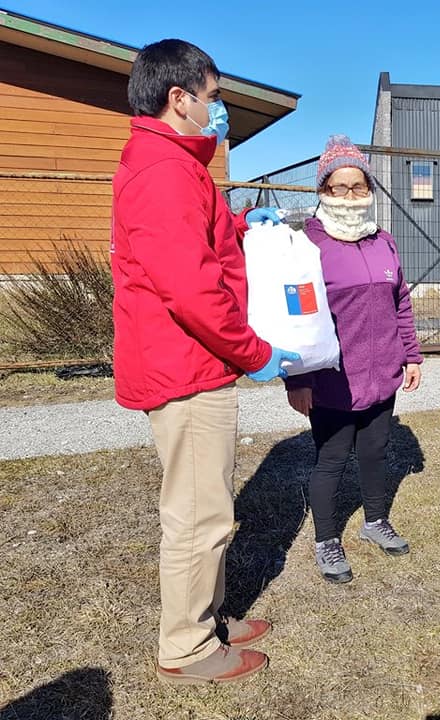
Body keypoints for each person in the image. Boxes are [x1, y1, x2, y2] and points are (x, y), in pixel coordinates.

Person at [111, 39, 298, 684]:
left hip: (190, 363)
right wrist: (255, 352)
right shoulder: (164, 170)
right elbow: (191, 288)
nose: (220, 112)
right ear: (179, 98)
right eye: (213, 98)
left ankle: (209, 615)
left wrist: (241, 225)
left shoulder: (174, 164)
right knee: (198, 513)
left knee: (209, 503)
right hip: (185, 367)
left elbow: (194, 239)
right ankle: (187, 646)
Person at [284, 135, 423, 584]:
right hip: (331, 380)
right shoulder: (307, 245)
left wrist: (411, 355)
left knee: (376, 452)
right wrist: (297, 379)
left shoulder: (383, 241)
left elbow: (400, 301)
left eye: (358, 186)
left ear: (369, 189)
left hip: (382, 372)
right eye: (338, 187)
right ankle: (326, 540)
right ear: (322, 191)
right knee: (331, 460)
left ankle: (375, 521)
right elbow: (296, 318)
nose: (349, 195)